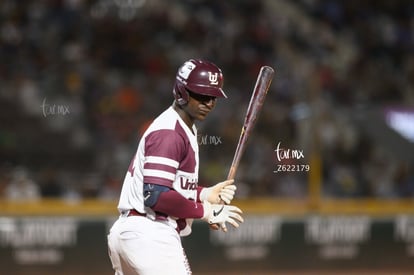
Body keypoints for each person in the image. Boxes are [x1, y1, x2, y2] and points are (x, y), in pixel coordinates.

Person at [107, 59, 244, 275]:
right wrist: (206, 211)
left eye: (213, 97)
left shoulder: (180, 127)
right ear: (182, 92)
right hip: (150, 234)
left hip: (134, 233)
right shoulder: (170, 133)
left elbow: (165, 185)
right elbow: (155, 196)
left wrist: (204, 194)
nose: (209, 102)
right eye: (201, 95)